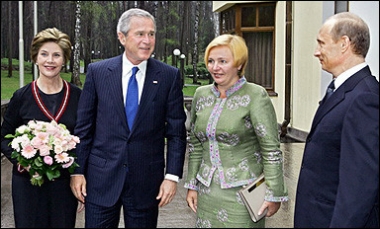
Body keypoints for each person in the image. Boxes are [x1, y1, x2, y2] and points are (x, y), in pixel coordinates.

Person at [70, 8, 187, 228]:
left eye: (151, 34)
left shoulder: (168, 76)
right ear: (122, 37)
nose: (147, 40)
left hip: (146, 182)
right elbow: (83, 129)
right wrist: (77, 171)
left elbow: (176, 133)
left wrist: (172, 176)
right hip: (101, 180)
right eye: (140, 34)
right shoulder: (98, 72)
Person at [184, 34, 288, 228]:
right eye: (211, 61)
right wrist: (192, 185)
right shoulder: (201, 95)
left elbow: (271, 149)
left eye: (223, 61)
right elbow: (195, 144)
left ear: (239, 64)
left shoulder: (256, 95)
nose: (215, 67)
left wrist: (274, 193)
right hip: (207, 191)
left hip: (244, 193)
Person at [294, 12, 379, 228]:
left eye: (321, 43)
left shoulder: (365, 98)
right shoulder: (342, 90)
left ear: (344, 44)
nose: (316, 52)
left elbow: (359, 186)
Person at [0, 27, 81, 228]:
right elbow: (4, 137)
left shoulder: (78, 97)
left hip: (63, 185)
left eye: (56, 55)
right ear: (35, 58)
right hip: (27, 184)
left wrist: (79, 176)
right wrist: (21, 159)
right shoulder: (22, 96)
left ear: (64, 59)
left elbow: (86, 139)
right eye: (44, 54)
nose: (50, 60)